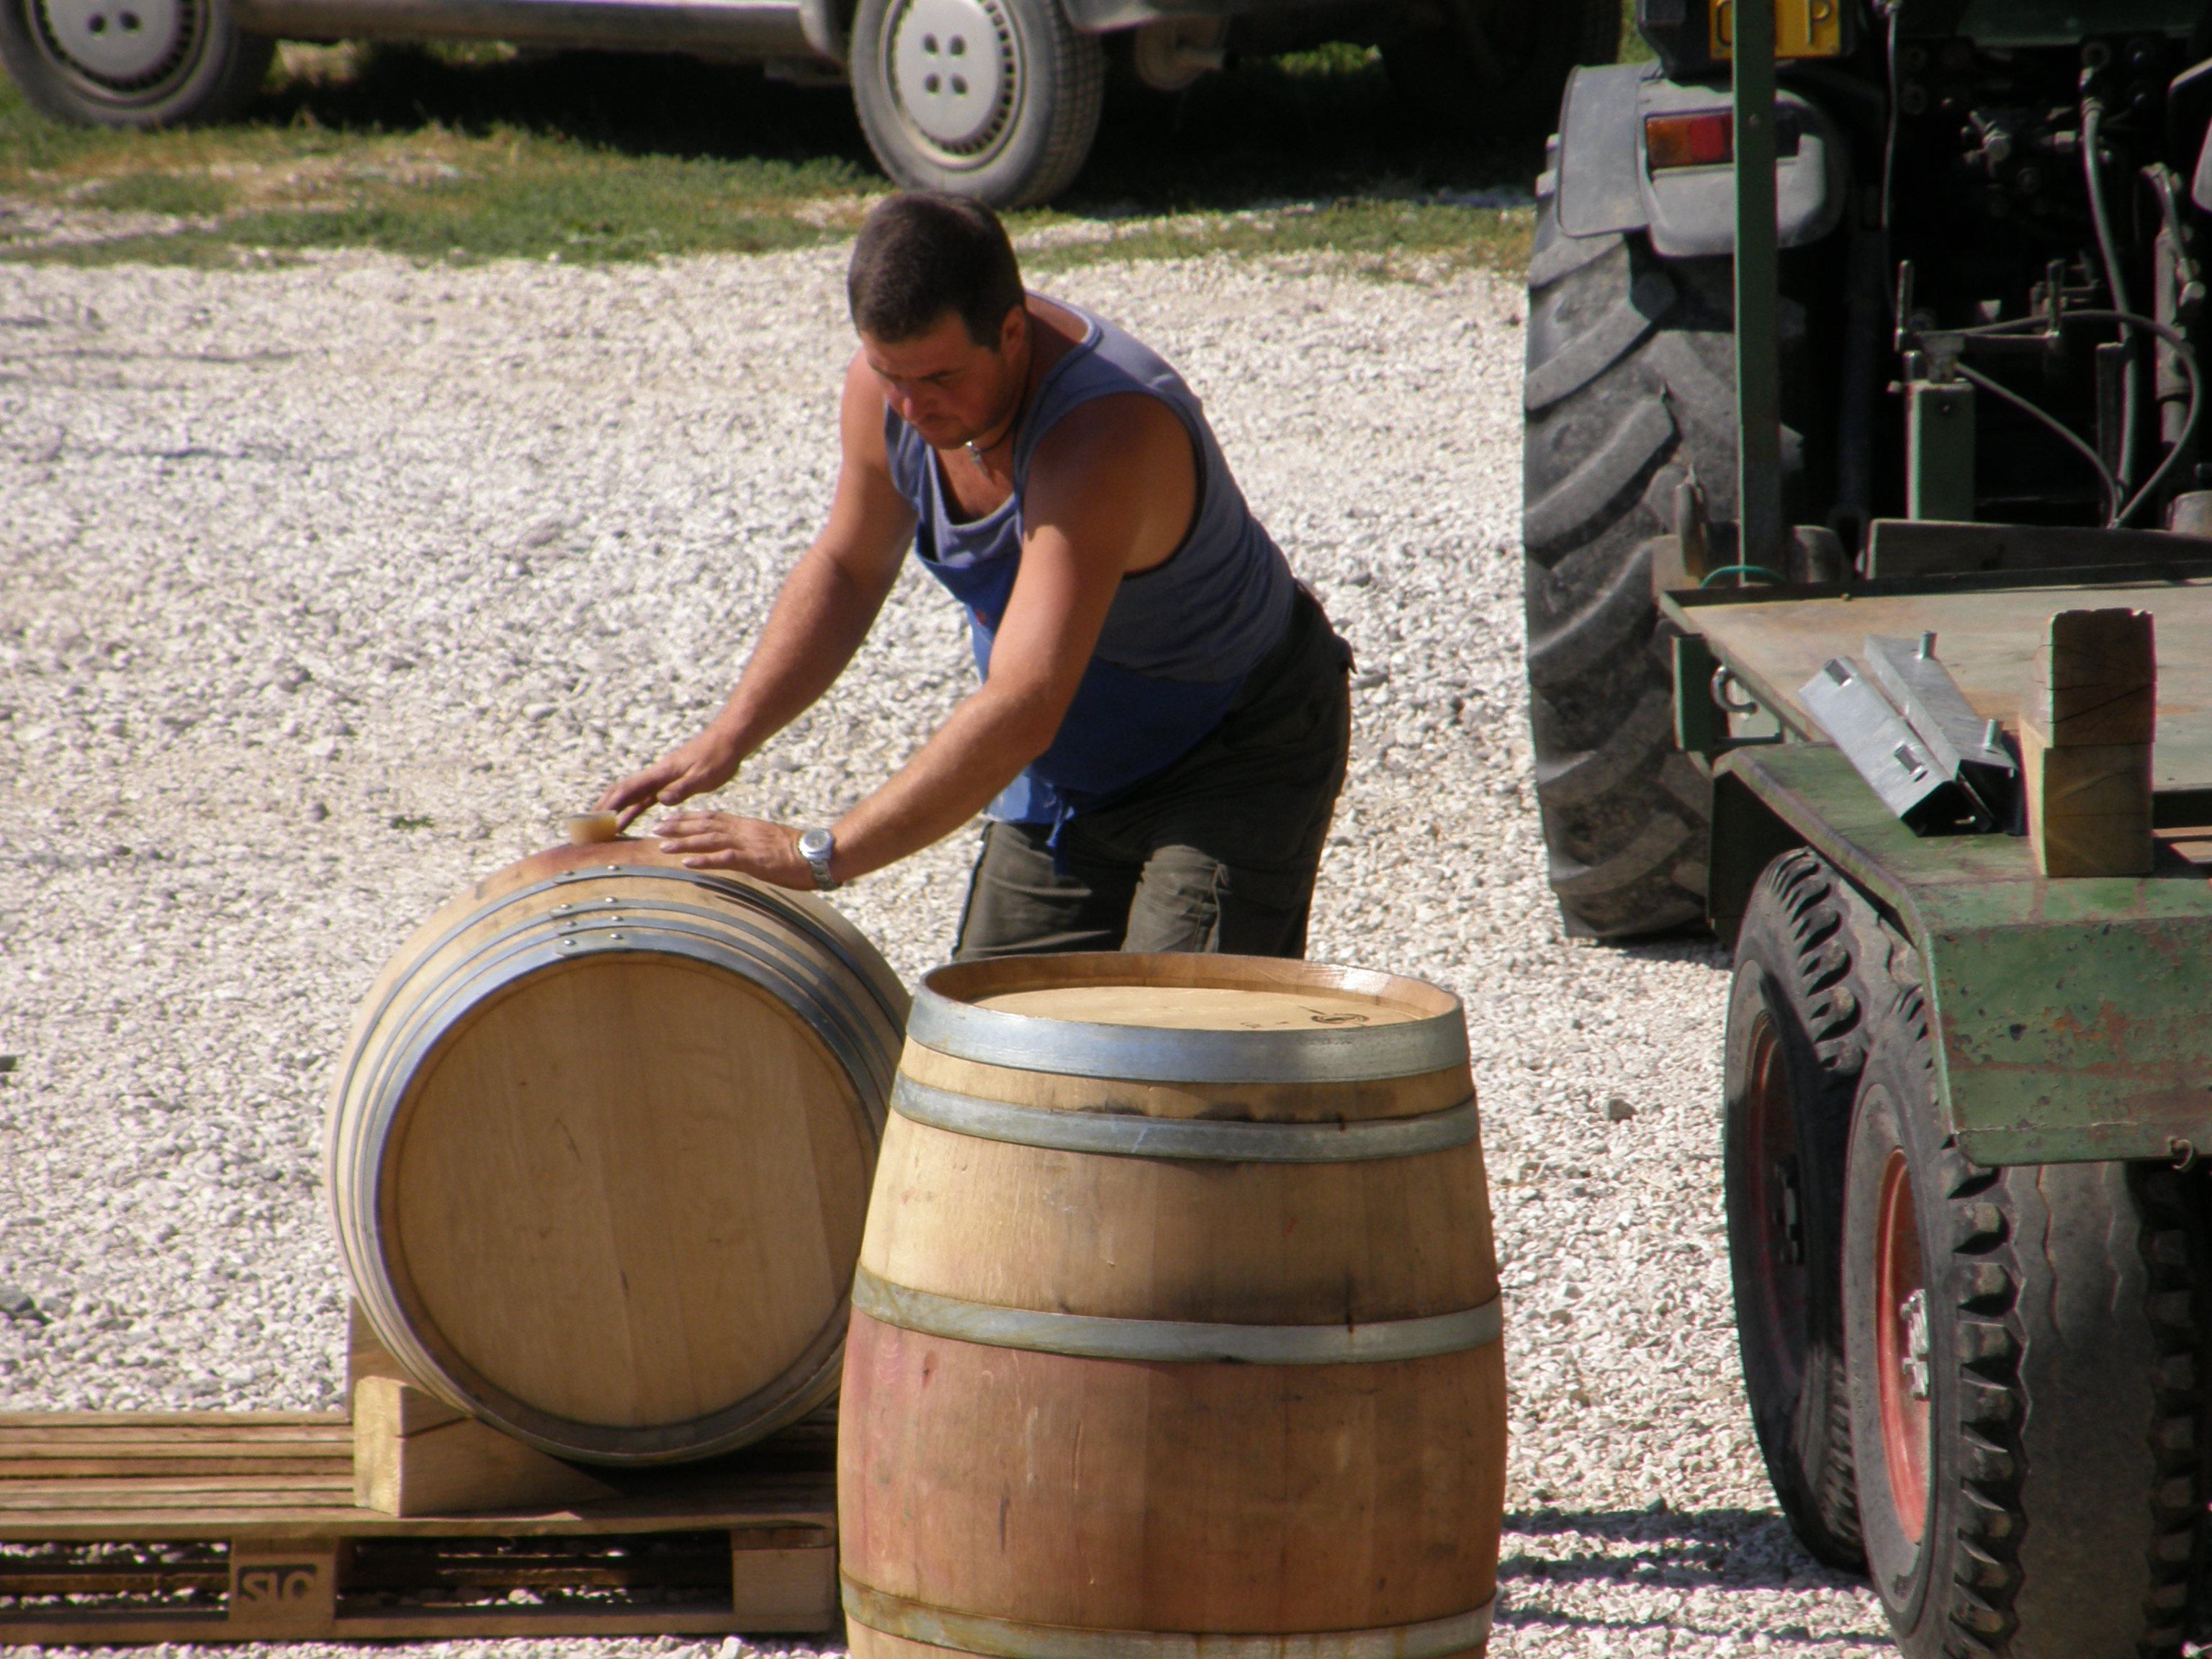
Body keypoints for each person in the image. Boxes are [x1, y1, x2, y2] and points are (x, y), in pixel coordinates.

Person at [597, 192, 1351, 960]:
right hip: (1069, 773)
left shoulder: (1103, 434)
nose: (912, 406)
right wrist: (732, 734)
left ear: (1013, 331)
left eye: (940, 378)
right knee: (993, 1049)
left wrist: (818, 855)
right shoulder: (888, 391)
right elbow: (850, 569)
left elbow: (1024, 703)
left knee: (1175, 1047)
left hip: (1234, 751)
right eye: (890, 373)